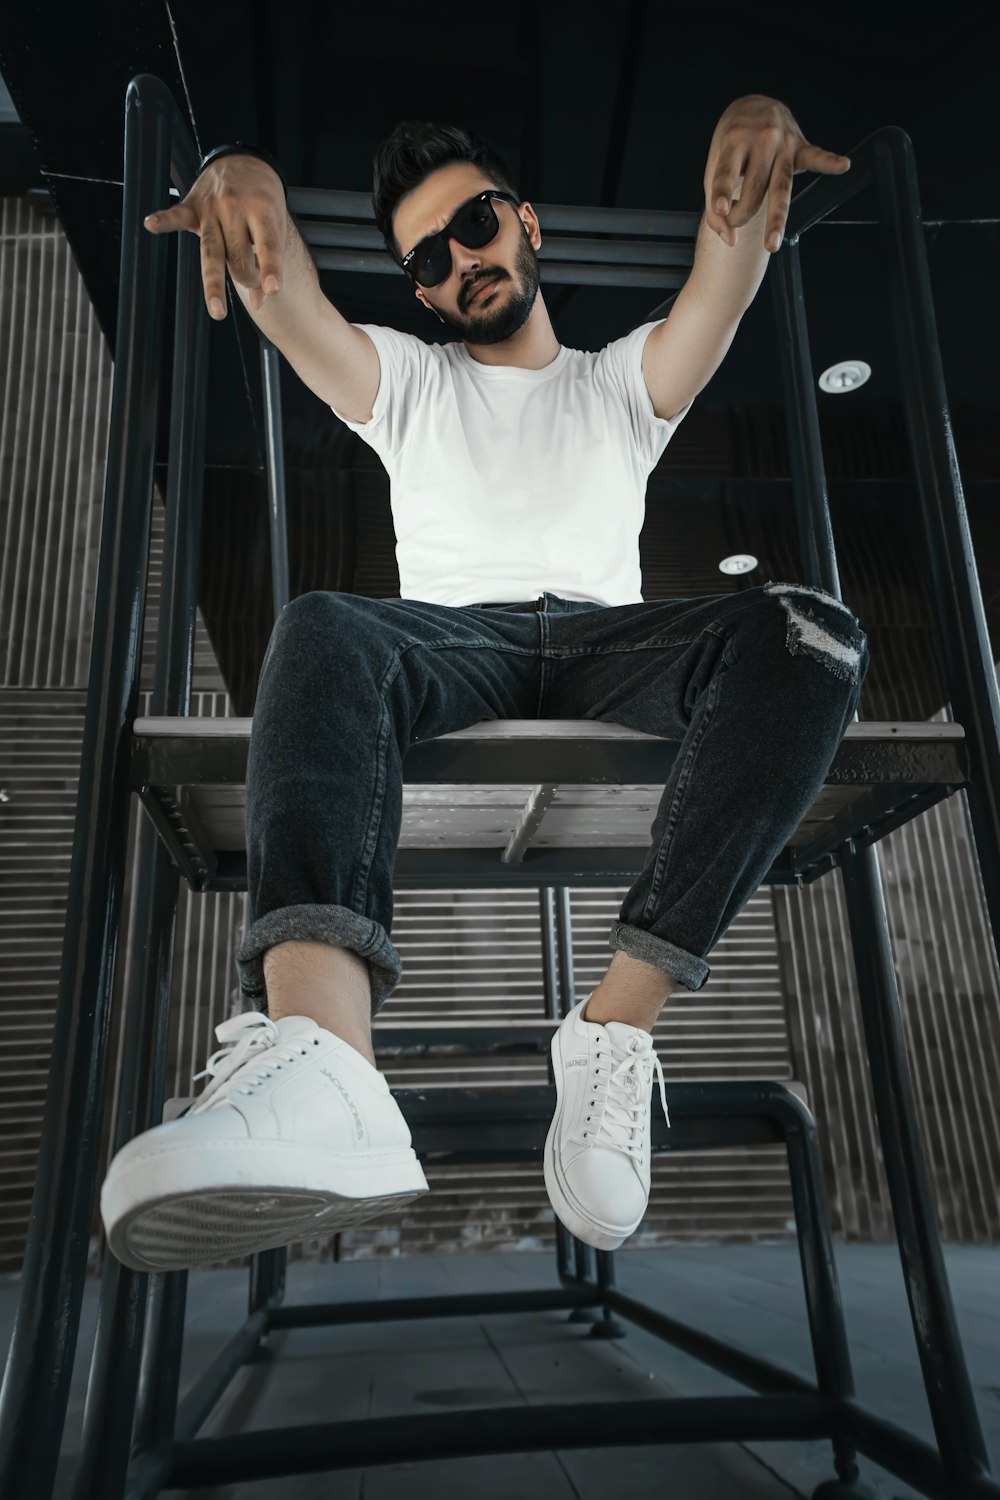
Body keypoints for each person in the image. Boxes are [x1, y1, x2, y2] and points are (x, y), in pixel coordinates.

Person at [100, 95, 868, 1272]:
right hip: (454, 643)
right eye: (428, 256)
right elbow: (283, 292)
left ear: (526, 224)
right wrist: (234, 165)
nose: (460, 259)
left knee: (809, 630)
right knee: (323, 628)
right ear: (416, 289)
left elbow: (724, 272)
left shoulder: (622, 383)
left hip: (615, 647)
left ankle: (612, 1028)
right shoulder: (405, 380)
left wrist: (755, 142)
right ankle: (324, 1062)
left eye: (474, 225)